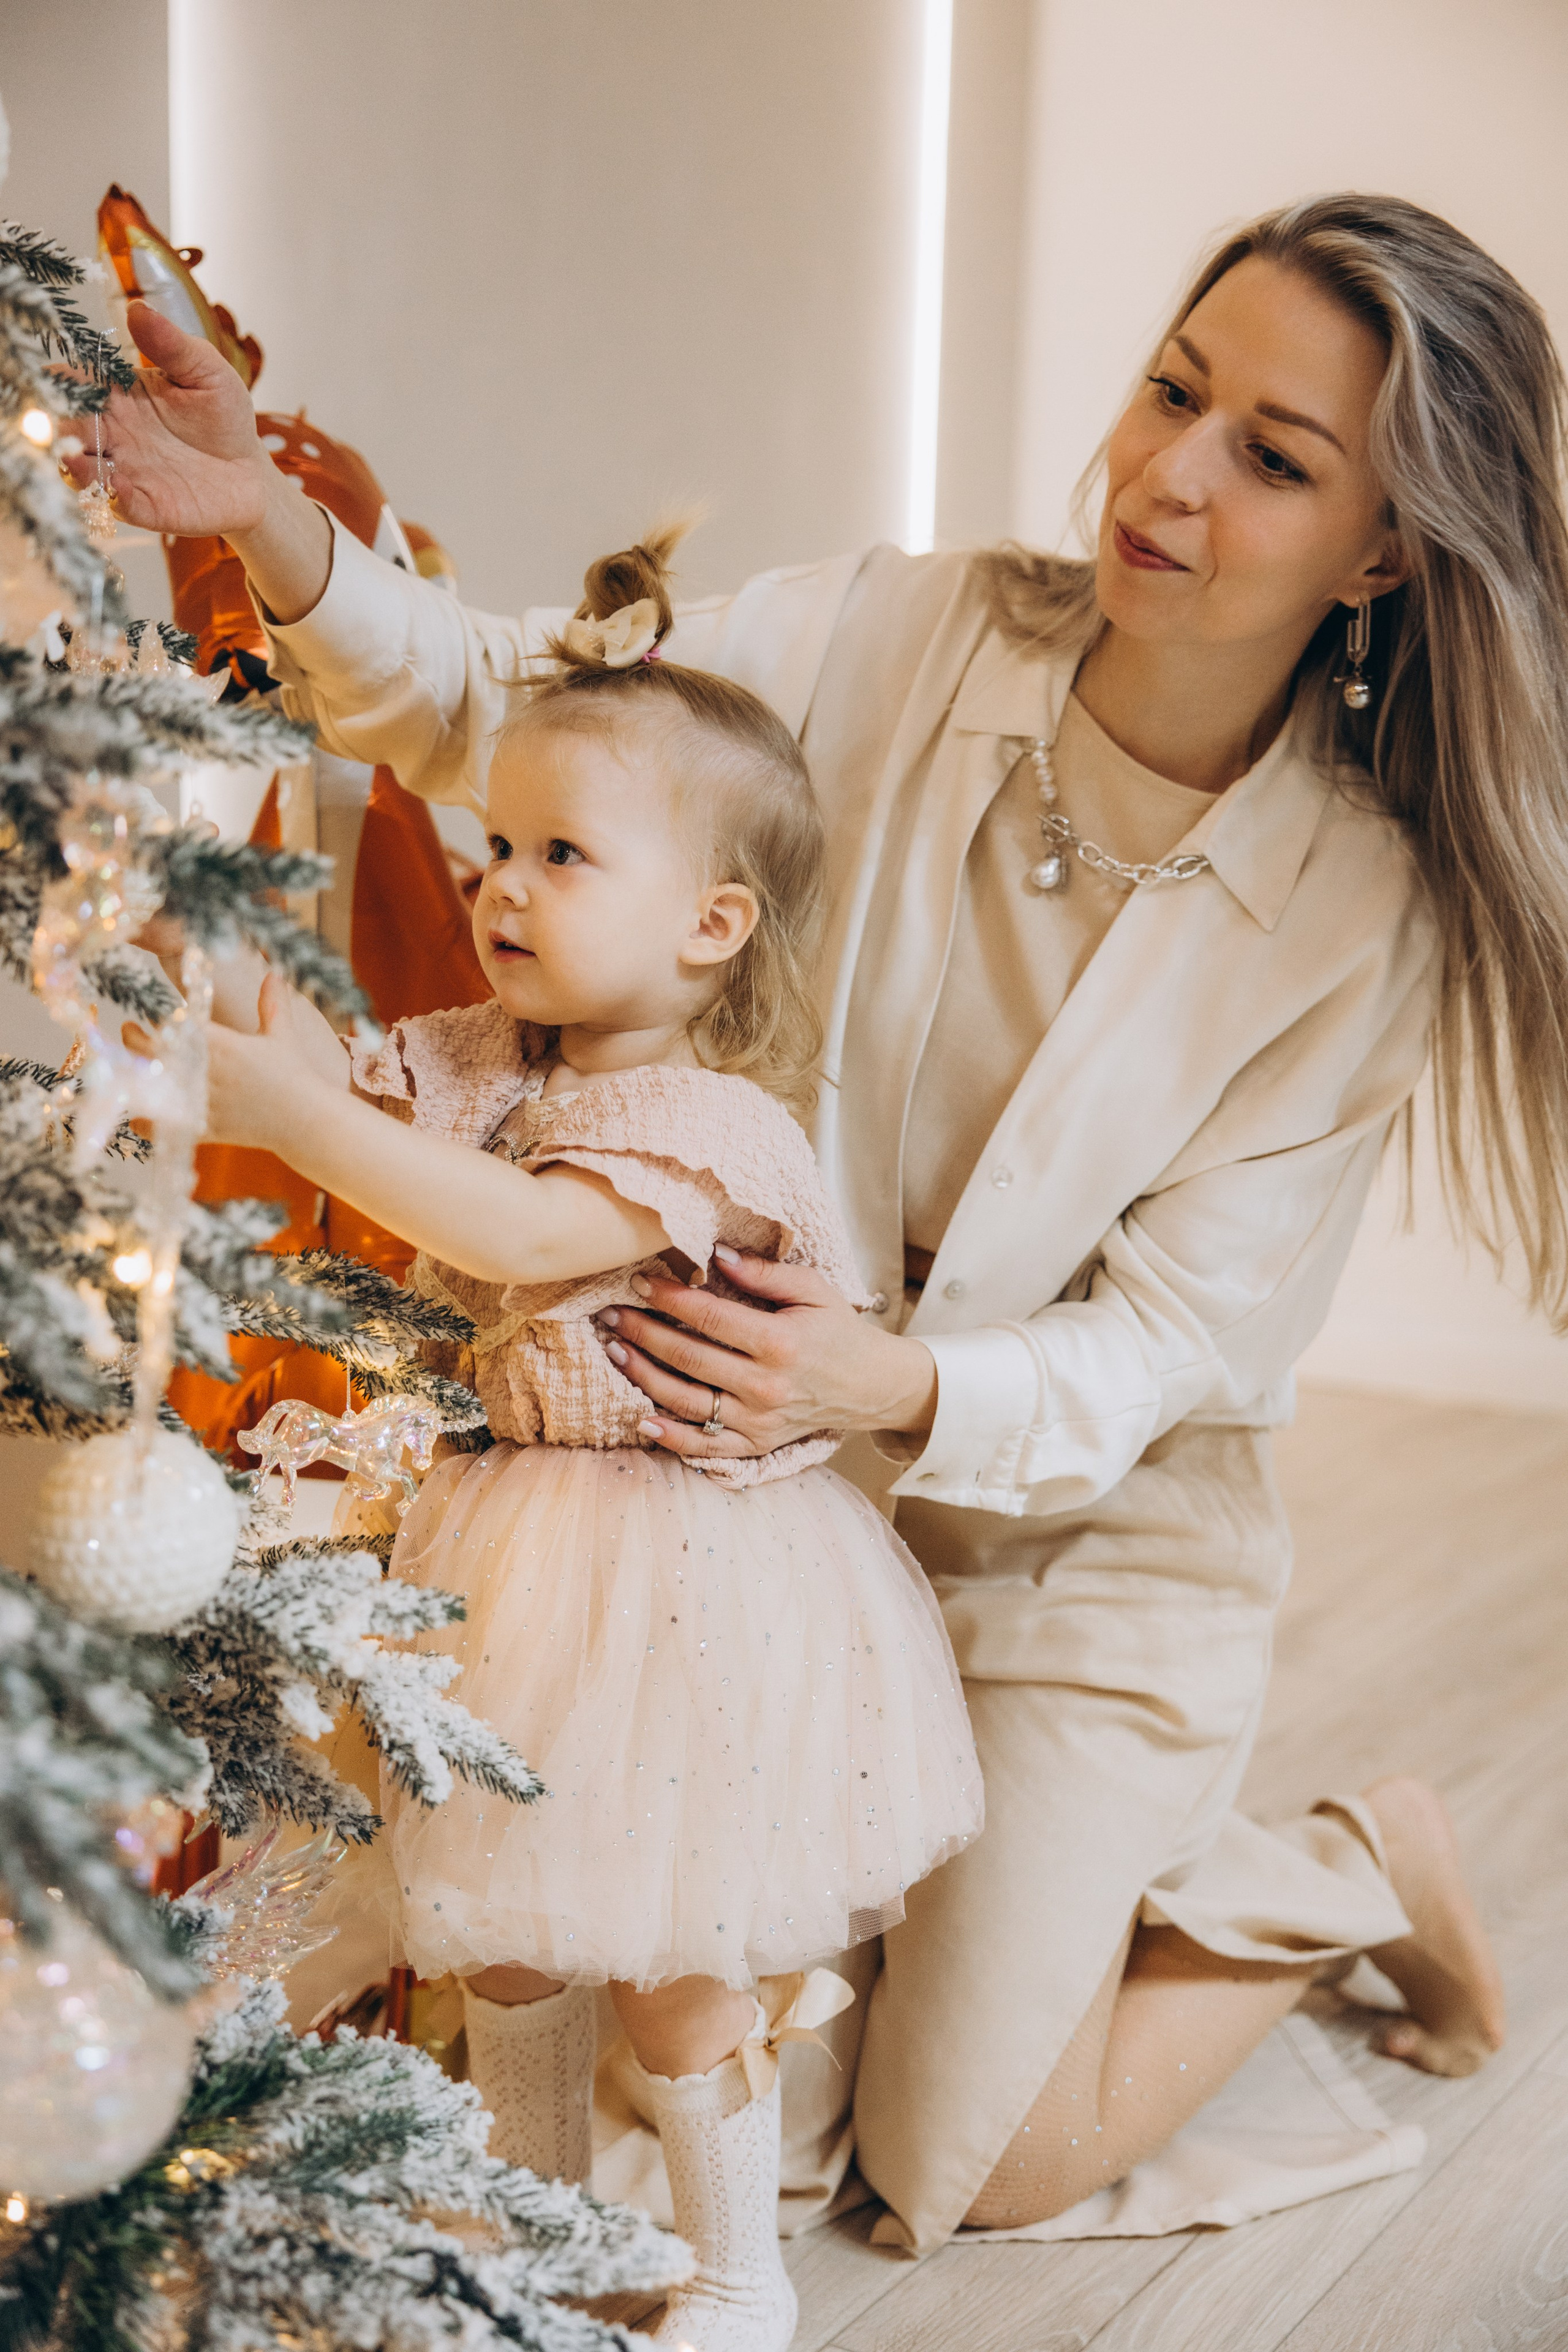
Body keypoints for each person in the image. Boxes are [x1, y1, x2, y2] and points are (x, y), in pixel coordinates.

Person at [92, 188, 1553, 2253]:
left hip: (1081, 1553)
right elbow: (537, 715)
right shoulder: (894, 626)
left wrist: (894, 1376)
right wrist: (272, 525)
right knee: (683, 2121)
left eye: (1275, 458)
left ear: (1385, 550)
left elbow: (1181, 1337)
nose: (1168, 474)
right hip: (748, 1520)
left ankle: (1349, 1866)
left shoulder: (1362, 906)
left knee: (971, 2168)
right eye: (1174, 390)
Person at [194, 533, 982, 2352]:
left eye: (562, 856)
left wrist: (296, 1119)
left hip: (690, 1591)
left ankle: (733, 2270)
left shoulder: (708, 1123)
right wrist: (218, 932)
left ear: (713, 922)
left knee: (681, 1976)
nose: (502, 888)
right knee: (508, 1943)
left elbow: (518, 1237)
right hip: (512, 1564)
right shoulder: (490, 1053)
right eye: (496, 850)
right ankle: (531, 2240)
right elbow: (343, 1068)